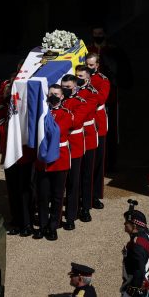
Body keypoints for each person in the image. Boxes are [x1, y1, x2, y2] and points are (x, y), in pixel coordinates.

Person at [87, 24, 133, 173]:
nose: (97, 35)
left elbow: (123, 71)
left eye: (100, 33)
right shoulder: (87, 50)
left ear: (104, 34)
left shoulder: (114, 50)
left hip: (111, 95)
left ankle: (110, 163)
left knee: (111, 130)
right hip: (91, 97)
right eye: (95, 33)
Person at [0, 73, 35, 237]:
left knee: (26, 189)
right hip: (9, 150)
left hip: (25, 153)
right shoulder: (3, 102)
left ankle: (27, 222)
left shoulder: (27, 102)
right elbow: (0, 120)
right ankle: (17, 219)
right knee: (12, 189)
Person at [33, 85, 73, 241]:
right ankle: (43, 226)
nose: (53, 96)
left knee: (57, 196)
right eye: (50, 94)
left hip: (59, 159)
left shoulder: (65, 114)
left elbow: (56, 131)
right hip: (43, 159)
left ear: (62, 96)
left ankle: (53, 226)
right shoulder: (42, 112)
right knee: (43, 196)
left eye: (56, 94)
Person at [76, 57, 110, 209]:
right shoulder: (80, 80)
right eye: (87, 65)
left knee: (96, 163)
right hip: (84, 125)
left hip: (97, 124)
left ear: (97, 65)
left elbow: (101, 99)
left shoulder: (102, 80)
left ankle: (94, 195)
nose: (89, 67)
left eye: (91, 65)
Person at [76, 68, 103, 222]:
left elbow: (85, 111)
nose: (79, 79)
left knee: (86, 174)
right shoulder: (74, 91)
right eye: (77, 76)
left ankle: (85, 207)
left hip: (88, 135)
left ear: (87, 78)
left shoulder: (92, 92)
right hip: (77, 137)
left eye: (81, 77)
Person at [59, 77, 86, 230]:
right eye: (63, 86)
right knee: (57, 185)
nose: (65, 89)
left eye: (68, 87)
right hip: (60, 147)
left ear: (75, 87)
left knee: (72, 184)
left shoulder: (80, 101)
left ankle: (70, 216)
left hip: (73, 146)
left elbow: (75, 122)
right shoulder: (58, 101)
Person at [121, 199, 149, 297]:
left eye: (127, 222)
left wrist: (133, 290)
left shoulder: (137, 245)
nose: (124, 224)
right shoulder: (145, 234)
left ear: (134, 226)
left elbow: (139, 269)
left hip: (136, 286)